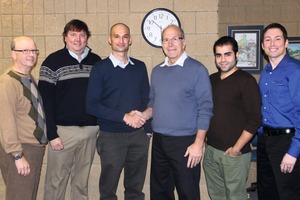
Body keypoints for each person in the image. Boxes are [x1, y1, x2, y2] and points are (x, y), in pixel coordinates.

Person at [140, 24, 213, 200]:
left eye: (175, 38)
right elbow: (153, 102)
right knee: (160, 192)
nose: (170, 43)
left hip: (185, 143)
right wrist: (144, 114)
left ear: (184, 42)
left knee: (188, 193)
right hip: (159, 142)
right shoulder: (157, 71)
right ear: (162, 44)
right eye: (166, 39)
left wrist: (198, 143)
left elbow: (206, 108)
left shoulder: (197, 70)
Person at [86, 23, 151, 200]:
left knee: (135, 189)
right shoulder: (100, 69)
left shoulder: (139, 66)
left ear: (130, 40)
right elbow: (91, 105)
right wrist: (124, 117)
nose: (121, 40)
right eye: (116, 36)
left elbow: (147, 100)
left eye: (125, 36)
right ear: (109, 39)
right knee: (108, 190)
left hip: (139, 136)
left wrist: (147, 130)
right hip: (111, 137)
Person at [38, 19, 101, 200]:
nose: (78, 39)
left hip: (90, 131)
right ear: (65, 37)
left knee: (81, 182)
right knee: (56, 181)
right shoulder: (52, 62)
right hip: (62, 133)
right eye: (73, 34)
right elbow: (45, 102)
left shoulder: (96, 62)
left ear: (87, 38)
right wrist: (52, 134)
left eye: (82, 35)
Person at [202, 36, 262, 200]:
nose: (222, 59)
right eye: (218, 55)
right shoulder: (211, 80)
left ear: (236, 55)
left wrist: (237, 148)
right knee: (217, 196)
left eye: (227, 54)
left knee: (235, 197)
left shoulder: (246, 81)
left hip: (234, 154)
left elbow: (255, 119)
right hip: (211, 152)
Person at [0, 36, 47, 200]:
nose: (31, 54)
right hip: (21, 150)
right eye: (25, 50)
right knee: (19, 196)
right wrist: (18, 156)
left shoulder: (27, 77)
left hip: (33, 149)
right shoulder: (8, 82)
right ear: (13, 54)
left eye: (34, 50)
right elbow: (5, 122)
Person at [257, 22, 300, 200]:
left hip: (287, 141)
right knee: (267, 193)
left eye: (277, 39)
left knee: (288, 195)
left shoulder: (295, 70)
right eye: (267, 40)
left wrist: (293, 152)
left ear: (286, 43)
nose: (272, 43)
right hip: (266, 142)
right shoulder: (266, 73)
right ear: (262, 46)